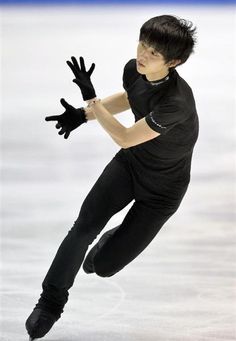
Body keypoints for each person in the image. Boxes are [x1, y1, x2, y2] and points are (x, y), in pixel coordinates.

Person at [25, 14, 199, 340]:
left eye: (153, 54)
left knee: (103, 266)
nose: (142, 55)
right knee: (82, 227)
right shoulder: (134, 69)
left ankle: (111, 242)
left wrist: (91, 100)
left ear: (173, 62)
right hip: (129, 167)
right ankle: (50, 302)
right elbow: (130, 97)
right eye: (142, 45)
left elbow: (125, 136)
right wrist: (84, 114)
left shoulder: (176, 103)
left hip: (162, 193)